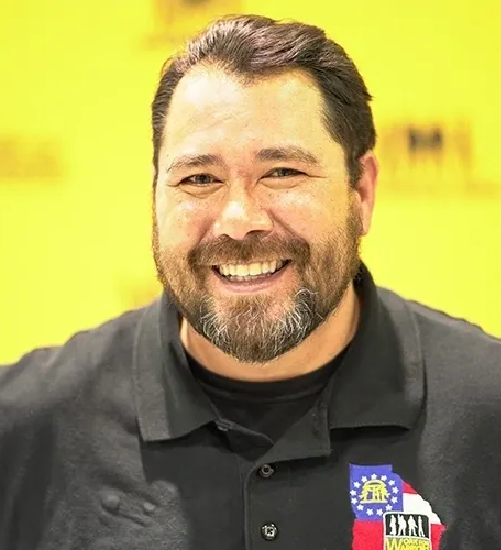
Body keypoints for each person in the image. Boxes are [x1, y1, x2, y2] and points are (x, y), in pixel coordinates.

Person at [0, 14, 499, 550]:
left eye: (282, 172)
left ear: (362, 192)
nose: (239, 219)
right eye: (199, 179)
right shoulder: (24, 429)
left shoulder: (488, 414)